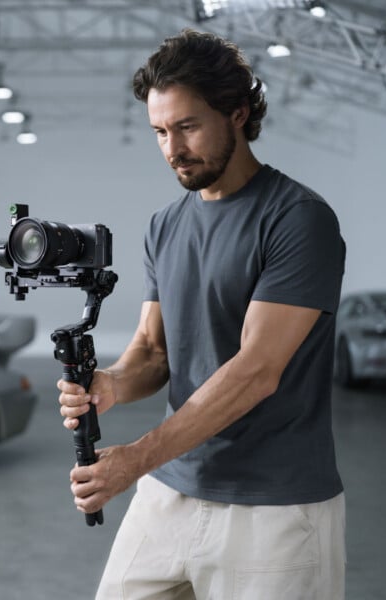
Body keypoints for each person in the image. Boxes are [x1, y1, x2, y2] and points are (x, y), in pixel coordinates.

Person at [57, 29, 346, 599]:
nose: (172, 149)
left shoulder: (298, 220)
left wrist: (134, 459)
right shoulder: (166, 224)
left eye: (187, 127)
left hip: (275, 508)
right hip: (171, 491)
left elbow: (256, 371)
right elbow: (154, 350)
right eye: (160, 132)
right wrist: (111, 383)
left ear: (237, 112)